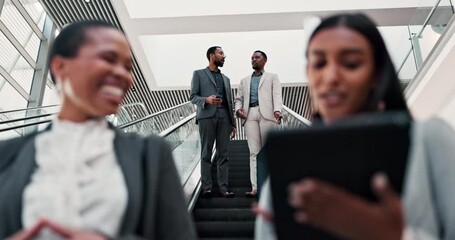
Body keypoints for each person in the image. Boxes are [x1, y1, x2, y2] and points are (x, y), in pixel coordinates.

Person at [255, 13, 455, 240]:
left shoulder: (428, 138)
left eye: (351, 63)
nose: (330, 77)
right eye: (319, 63)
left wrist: (390, 234)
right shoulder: (289, 167)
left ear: (377, 75)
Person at [0, 20, 196, 240]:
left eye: (128, 67)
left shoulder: (150, 154)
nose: (124, 75)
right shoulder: (7, 154)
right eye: (108, 59)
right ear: (60, 67)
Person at [190, 46, 237, 198]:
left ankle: (223, 188)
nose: (224, 56)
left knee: (224, 154)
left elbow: (230, 102)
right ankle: (207, 188)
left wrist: (233, 123)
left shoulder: (226, 79)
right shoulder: (198, 74)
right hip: (206, 116)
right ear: (212, 55)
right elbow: (193, 97)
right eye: (221, 53)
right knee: (206, 153)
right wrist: (207, 100)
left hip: (224, 116)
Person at [234, 50, 282, 198]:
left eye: (257, 57)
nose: (253, 60)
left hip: (267, 114)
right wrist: (237, 110)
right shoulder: (244, 80)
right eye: (252, 58)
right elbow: (239, 99)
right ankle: (255, 187)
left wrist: (277, 110)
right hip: (250, 115)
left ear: (265, 60)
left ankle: (271, 186)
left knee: (269, 151)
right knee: (254, 152)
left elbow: (277, 95)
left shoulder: (272, 77)